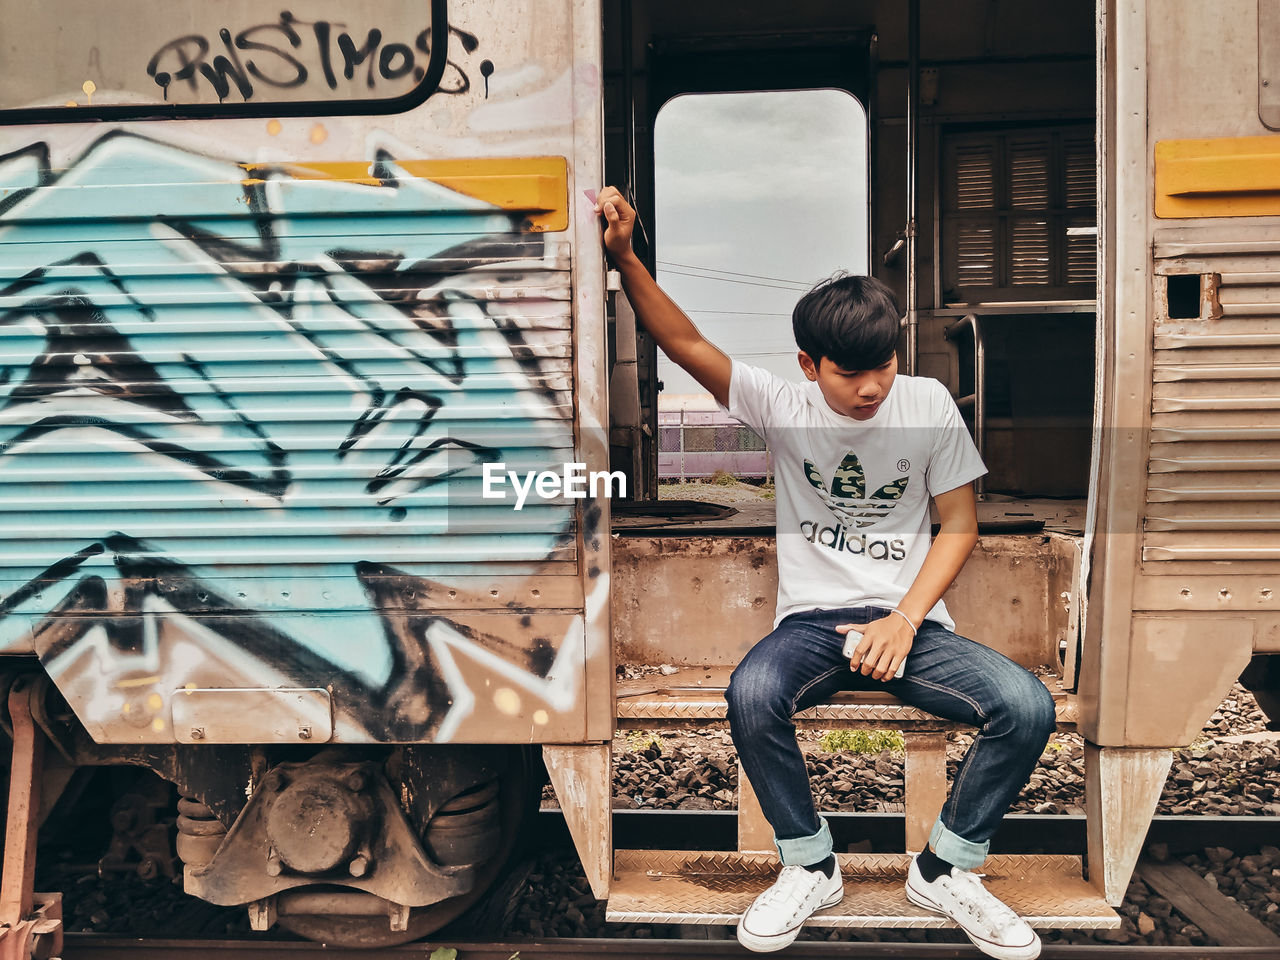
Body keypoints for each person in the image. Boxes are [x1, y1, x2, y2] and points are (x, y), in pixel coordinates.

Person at [596, 186, 1054, 960]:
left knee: (1026, 706)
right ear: (809, 366)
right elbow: (684, 343)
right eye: (851, 374)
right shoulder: (784, 407)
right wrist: (626, 259)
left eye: (884, 365)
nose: (873, 386)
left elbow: (960, 525)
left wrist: (904, 619)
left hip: (910, 621)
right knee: (752, 693)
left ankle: (944, 870)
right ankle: (810, 865)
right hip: (812, 626)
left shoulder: (928, 403)